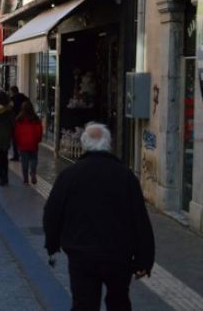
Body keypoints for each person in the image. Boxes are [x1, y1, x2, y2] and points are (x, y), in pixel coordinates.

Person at [43, 123, 155, 311]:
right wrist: (145, 259)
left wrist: (52, 244)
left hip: (82, 253)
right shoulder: (125, 176)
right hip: (118, 254)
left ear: (85, 144)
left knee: (83, 304)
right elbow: (139, 219)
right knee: (119, 302)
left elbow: (52, 213)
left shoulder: (70, 175)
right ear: (108, 144)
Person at [14, 101, 43, 185]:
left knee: (24, 162)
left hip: (23, 144)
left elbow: (17, 132)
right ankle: (33, 172)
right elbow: (39, 131)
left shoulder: (19, 119)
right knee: (34, 159)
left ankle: (26, 180)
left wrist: (17, 141)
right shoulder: (36, 119)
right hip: (33, 143)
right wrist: (38, 139)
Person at [9, 86, 29, 161]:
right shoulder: (25, 98)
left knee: (15, 139)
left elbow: (10, 110)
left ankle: (16, 155)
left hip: (15, 121)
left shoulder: (12, 100)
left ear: (12, 92)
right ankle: (23, 153)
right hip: (24, 120)